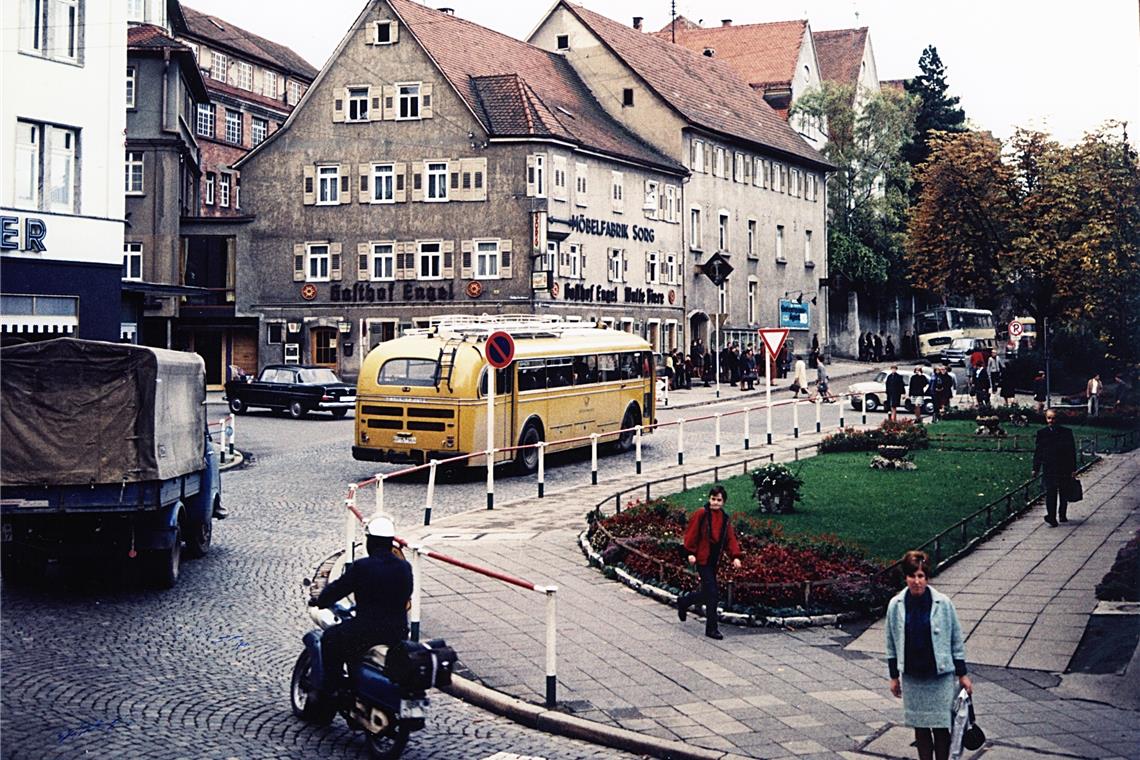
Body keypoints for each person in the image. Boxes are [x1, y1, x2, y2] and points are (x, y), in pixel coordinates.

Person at [310, 515, 413, 697]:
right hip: (398, 632)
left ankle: (333, 690)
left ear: (370, 541)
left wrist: (321, 599)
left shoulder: (363, 567)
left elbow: (338, 589)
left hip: (367, 630)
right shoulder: (405, 567)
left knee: (330, 639)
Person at [885, 550, 972, 760]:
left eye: (921, 576)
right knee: (921, 729)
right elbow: (891, 643)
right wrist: (894, 676)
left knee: (941, 729)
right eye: (912, 576)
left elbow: (955, 640)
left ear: (927, 577)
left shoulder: (943, 603)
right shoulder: (896, 605)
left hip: (939, 677)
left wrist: (962, 674)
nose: (916, 581)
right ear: (905, 577)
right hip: (913, 677)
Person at [677, 485, 742, 640]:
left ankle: (684, 601)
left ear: (723, 502)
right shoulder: (702, 514)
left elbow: (730, 538)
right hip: (702, 558)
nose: (715, 503)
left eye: (719, 500)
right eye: (713, 499)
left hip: (714, 559)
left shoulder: (725, 519)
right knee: (713, 594)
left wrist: (735, 556)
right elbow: (691, 533)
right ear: (709, 499)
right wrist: (690, 553)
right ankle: (711, 629)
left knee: (707, 593)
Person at [1032, 409, 1076, 526]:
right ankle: (1051, 516)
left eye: (1054, 418)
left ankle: (1062, 514)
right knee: (1050, 491)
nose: (1051, 421)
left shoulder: (1066, 432)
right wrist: (1035, 468)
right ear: (1046, 419)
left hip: (1064, 466)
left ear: (1058, 419)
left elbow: (1071, 451)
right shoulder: (1042, 433)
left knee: (1063, 491)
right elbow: (1038, 452)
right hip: (1049, 467)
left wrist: (1073, 469)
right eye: (1049, 418)